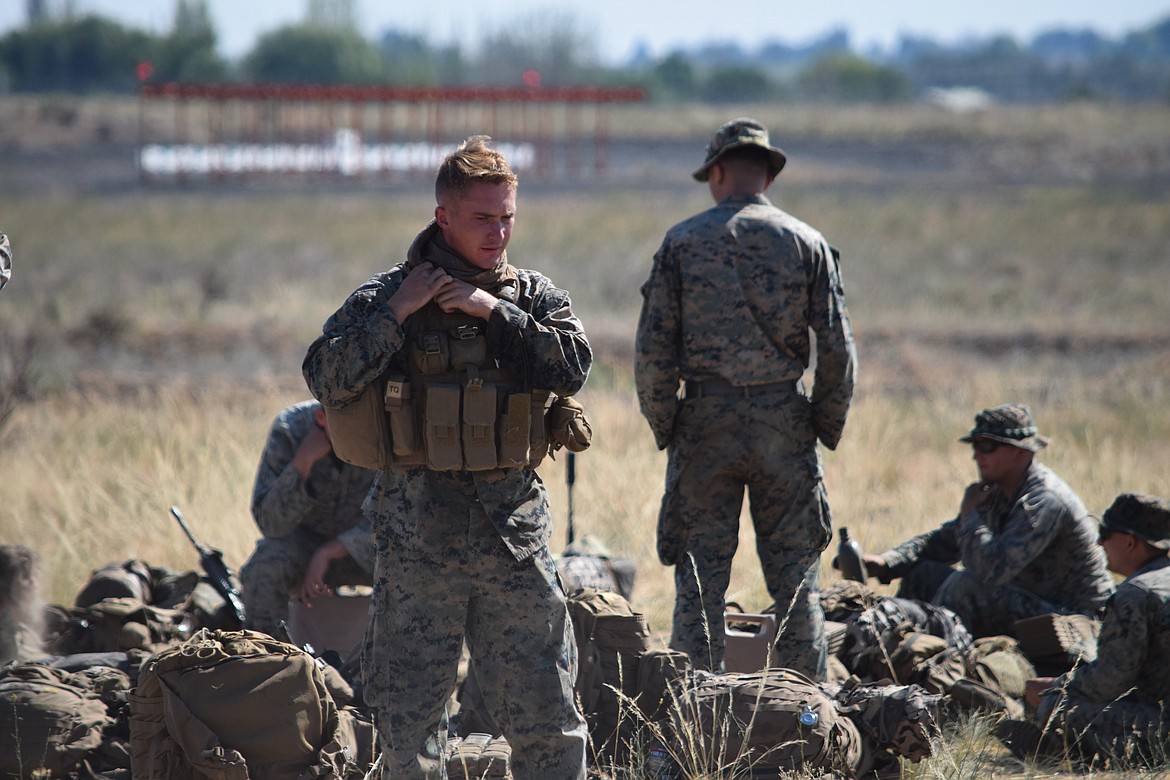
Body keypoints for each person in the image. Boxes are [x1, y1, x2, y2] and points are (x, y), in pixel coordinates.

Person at [303, 135, 590, 779]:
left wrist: (496, 314)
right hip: (416, 544)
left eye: (508, 216)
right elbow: (325, 376)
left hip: (513, 541)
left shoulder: (531, 297)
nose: (499, 231)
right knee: (408, 730)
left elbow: (574, 367)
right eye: (483, 218)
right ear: (443, 216)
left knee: (546, 716)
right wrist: (397, 316)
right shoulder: (387, 295)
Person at [635, 117, 857, 678]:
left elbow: (652, 352)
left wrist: (669, 425)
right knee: (797, 582)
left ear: (717, 173)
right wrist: (819, 424)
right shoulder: (807, 243)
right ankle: (812, 721)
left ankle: (692, 723)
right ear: (768, 177)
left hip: (705, 424)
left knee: (698, 586)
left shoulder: (682, 242)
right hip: (785, 421)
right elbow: (837, 349)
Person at [859, 403, 1114, 638]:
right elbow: (946, 541)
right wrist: (887, 562)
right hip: (1032, 603)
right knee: (923, 574)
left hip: (1076, 622)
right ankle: (892, 642)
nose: (977, 456)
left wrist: (971, 514)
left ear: (1020, 451)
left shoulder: (1044, 501)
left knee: (966, 585)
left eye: (987, 447)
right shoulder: (998, 491)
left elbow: (991, 571)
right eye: (975, 446)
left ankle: (929, 655)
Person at [1000, 493, 1170, 767]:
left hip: (1161, 731)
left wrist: (1056, 688)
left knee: (1056, 708)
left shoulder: (1135, 594)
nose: (1098, 542)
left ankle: (1061, 748)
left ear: (1130, 542)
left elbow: (1109, 681)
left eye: (1105, 533)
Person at [239, 399, 376, 639]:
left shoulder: (384, 430)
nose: (355, 432)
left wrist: (332, 550)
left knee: (413, 568)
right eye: (345, 425)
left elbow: (404, 522)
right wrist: (302, 464)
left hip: (370, 548)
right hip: (304, 545)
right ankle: (265, 661)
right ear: (321, 417)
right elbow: (270, 524)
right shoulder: (290, 430)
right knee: (264, 566)